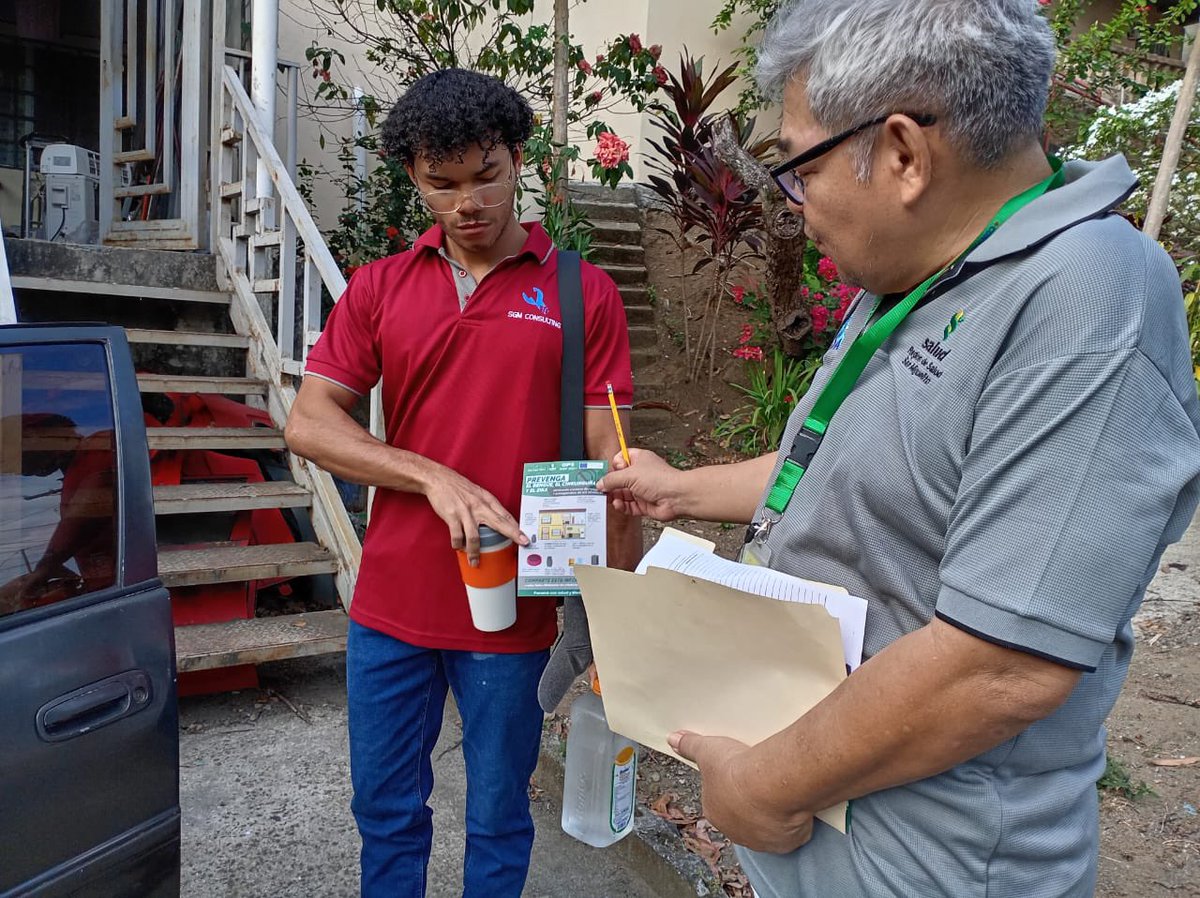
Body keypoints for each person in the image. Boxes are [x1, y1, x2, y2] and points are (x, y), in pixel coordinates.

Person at [598, 2, 1200, 896]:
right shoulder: (922, 271)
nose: (798, 210)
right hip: (828, 830)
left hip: (926, 865)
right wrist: (681, 490)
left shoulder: (1085, 301)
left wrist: (761, 785)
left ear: (905, 155)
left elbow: (1001, 663)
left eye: (800, 169)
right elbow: (844, 468)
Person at [285, 69, 641, 898]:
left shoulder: (581, 292)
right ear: (414, 177)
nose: (467, 202)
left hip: (513, 607)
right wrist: (426, 474)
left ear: (520, 158)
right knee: (385, 808)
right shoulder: (381, 287)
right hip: (392, 605)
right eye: (441, 184)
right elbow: (308, 424)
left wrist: (621, 622)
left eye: (486, 175)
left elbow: (614, 464)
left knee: (497, 814)